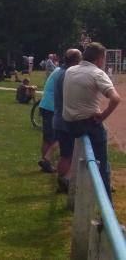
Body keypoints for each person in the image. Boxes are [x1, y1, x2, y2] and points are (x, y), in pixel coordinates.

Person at [63, 42, 121, 198]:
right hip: (87, 124)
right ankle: (107, 210)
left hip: (69, 124)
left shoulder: (70, 71)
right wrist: (102, 116)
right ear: (100, 59)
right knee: (103, 166)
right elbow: (115, 99)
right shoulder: (97, 73)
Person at [53, 48, 82, 193]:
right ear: (76, 60)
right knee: (66, 154)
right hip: (64, 120)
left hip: (60, 118)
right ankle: (63, 181)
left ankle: (63, 181)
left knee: (66, 153)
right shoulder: (67, 74)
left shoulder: (62, 72)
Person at [37, 63, 60, 173]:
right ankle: (46, 160)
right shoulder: (63, 73)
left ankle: (45, 161)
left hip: (47, 106)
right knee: (56, 137)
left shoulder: (58, 70)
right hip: (51, 107)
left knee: (48, 138)